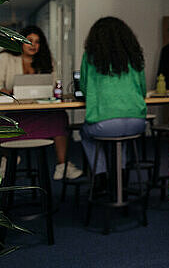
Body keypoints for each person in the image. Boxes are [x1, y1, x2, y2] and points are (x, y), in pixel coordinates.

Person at [0, 25, 82, 180]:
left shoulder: (46, 60)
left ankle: (62, 166)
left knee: (59, 117)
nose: (33, 45)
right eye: (29, 41)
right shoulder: (6, 58)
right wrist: (4, 91)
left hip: (39, 111)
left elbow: (52, 86)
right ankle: (6, 158)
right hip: (13, 113)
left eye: (37, 42)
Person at [79, 17, 147, 185]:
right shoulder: (133, 57)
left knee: (85, 133)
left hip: (104, 126)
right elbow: (143, 90)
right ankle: (120, 176)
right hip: (137, 124)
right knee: (121, 138)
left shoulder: (90, 57)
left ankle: (100, 175)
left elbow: (84, 89)